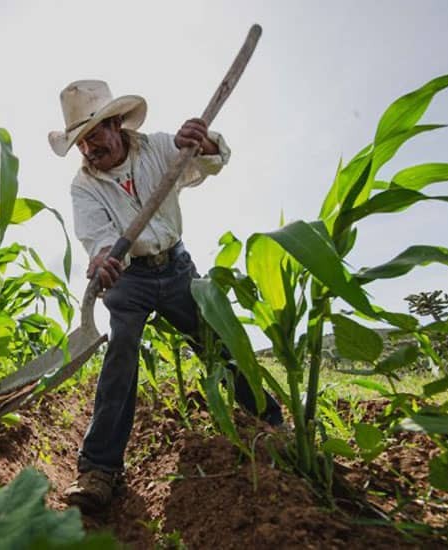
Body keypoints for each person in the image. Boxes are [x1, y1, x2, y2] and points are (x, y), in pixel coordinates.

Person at [48, 80, 284, 513]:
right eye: (80, 141)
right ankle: (99, 469)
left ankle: (272, 423)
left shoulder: (157, 148)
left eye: (93, 135)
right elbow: (97, 236)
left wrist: (202, 141)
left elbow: (209, 162)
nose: (87, 148)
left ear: (116, 124)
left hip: (175, 268)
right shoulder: (84, 185)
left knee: (216, 344)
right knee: (120, 353)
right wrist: (103, 259)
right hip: (128, 280)